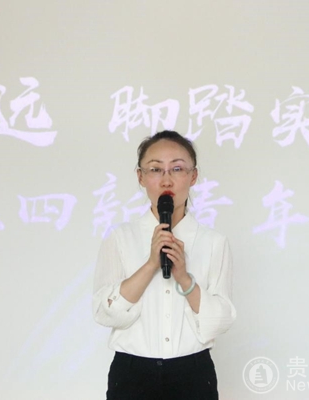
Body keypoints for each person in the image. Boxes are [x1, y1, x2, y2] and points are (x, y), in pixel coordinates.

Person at [92, 130, 236, 399]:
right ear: (141, 177)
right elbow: (104, 312)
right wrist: (150, 264)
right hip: (132, 374)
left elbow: (220, 321)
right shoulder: (120, 237)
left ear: (193, 176)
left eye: (177, 168)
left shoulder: (213, 242)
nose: (166, 179)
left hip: (193, 374)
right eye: (156, 169)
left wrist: (184, 279)